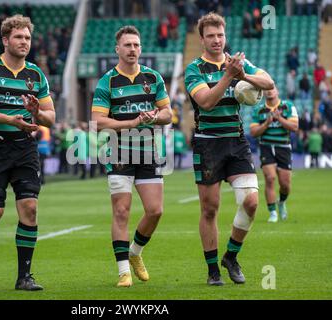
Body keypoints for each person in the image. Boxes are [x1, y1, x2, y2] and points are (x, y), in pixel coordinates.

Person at [0, 15, 56, 291]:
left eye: (27, 38)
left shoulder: (36, 74)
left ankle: (24, 277)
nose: (24, 42)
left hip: (25, 148)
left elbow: (51, 118)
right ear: (5, 40)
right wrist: (9, 120)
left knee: (29, 208)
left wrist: (35, 112)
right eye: (18, 37)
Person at [184, 13, 274, 286]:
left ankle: (231, 256)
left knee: (251, 201)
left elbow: (269, 84)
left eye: (220, 35)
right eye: (210, 36)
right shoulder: (194, 69)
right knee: (210, 209)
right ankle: (213, 271)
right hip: (207, 142)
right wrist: (228, 76)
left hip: (236, 140)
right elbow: (207, 102)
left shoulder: (238, 63)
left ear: (225, 36)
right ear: (202, 39)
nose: (216, 40)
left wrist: (243, 73)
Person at [91, 26, 172, 287]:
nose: (132, 49)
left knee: (155, 210)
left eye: (136, 45)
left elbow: (169, 114)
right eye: (127, 45)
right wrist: (133, 122)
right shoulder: (107, 81)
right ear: (118, 49)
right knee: (122, 211)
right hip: (119, 152)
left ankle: (135, 253)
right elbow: (98, 121)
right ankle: (123, 271)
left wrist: (154, 117)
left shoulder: (153, 77)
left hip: (149, 151)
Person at [250, 86, 299, 223]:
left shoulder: (288, 106)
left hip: (283, 146)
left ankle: (281, 202)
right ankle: (272, 213)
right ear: (263, 92)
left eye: (272, 89)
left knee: (285, 184)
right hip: (266, 146)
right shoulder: (258, 109)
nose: (270, 91)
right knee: (270, 178)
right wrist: (266, 123)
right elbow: (253, 132)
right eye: (267, 89)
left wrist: (280, 119)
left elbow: (294, 127)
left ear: (277, 91)